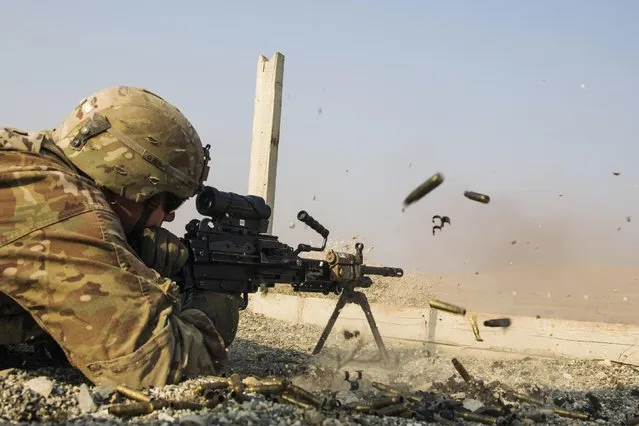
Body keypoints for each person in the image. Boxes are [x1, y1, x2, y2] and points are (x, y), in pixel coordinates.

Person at [0, 86, 241, 389]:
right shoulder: (67, 206)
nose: (170, 217)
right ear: (133, 182)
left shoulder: (24, 158)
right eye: (171, 202)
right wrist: (211, 314)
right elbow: (153, 363)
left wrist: (129, 260)